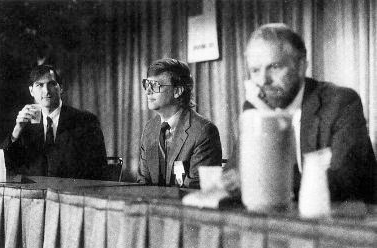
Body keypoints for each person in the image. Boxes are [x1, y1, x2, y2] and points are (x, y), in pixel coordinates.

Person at [223, 23, 376, 204]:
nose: (263, 80)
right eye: (255, 70)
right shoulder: (255, 110)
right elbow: (233, 174)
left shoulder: (340, 103)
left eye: (274, 67)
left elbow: (341, 182)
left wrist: (259, 181)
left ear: (301, 66)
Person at [1, 64, 107, 180]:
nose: (46, 91)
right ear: (31, 91)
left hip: (72, 193)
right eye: (39, 85)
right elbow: (4, 165)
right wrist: (16, 131)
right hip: (35, 195)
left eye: (51, 84)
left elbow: (99, 169)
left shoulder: (85, 121)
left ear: (61, 88)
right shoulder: (24, 123)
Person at [137, 58, 222, 188]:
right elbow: (143, 183)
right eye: (146, 84)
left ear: (177, 91)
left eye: (155, 85)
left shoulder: (203, 131)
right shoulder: (150, 128)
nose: (148, 91)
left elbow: (194, 189)